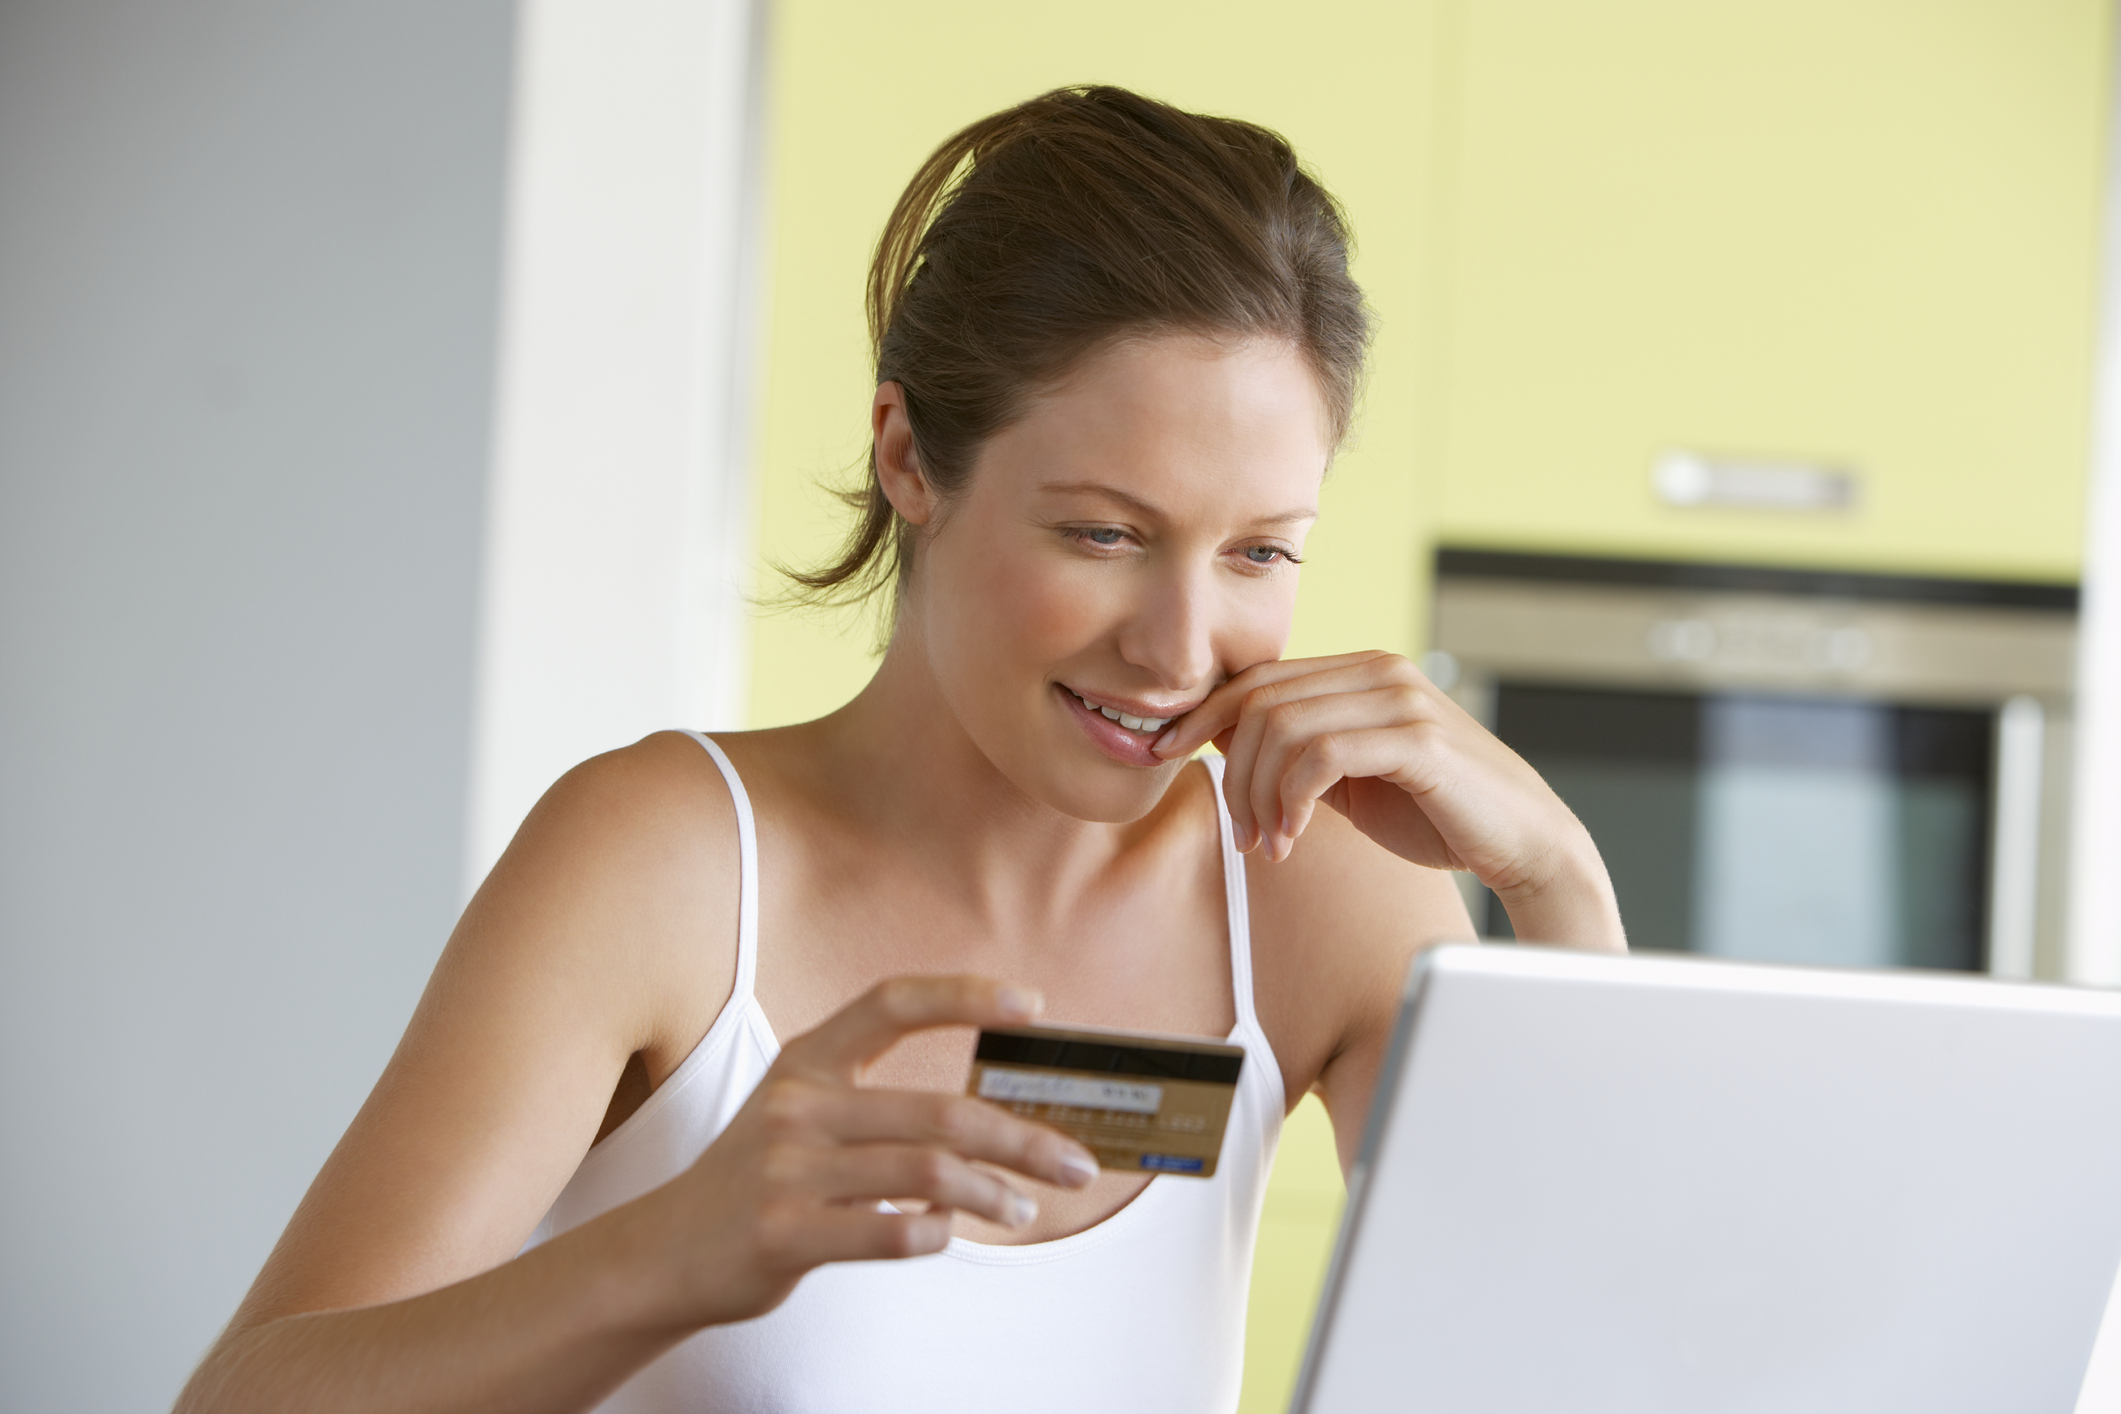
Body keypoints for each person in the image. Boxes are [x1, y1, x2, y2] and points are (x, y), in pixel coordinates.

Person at [176, 85, 1625, 1414]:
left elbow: (1579, 1357)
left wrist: (1557, 877)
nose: (1181, 646)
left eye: (1257, 551)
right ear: (908, 455)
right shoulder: (667, 865)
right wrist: (658, 1258)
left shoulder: (1307, 880)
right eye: (1105, 533)